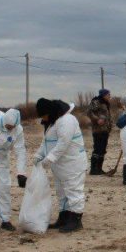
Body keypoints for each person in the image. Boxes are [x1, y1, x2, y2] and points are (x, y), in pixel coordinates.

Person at [34, 98, 86, 232]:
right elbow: (46, 141)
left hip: (72, 163)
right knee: (62, 192)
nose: (43, 118)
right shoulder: (53, 122)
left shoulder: (67, 120)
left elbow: (64, 142)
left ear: (50, 111)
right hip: (59, 165)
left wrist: (50, 158)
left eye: (44, 115)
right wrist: (39, 154)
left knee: (73, 190)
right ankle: (64, 217)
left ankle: (76, 220)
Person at [87, 89, 113, 175]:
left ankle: (99, 169)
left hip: (105, 130)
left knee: (102, 149)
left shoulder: (105, 103)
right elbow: (89, 112)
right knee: (97, 149)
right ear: (103, 95)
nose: (110, 96)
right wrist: (97, 119)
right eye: (108, 94)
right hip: (98, 130)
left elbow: (107, 116)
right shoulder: (96, 102)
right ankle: (93, 169)